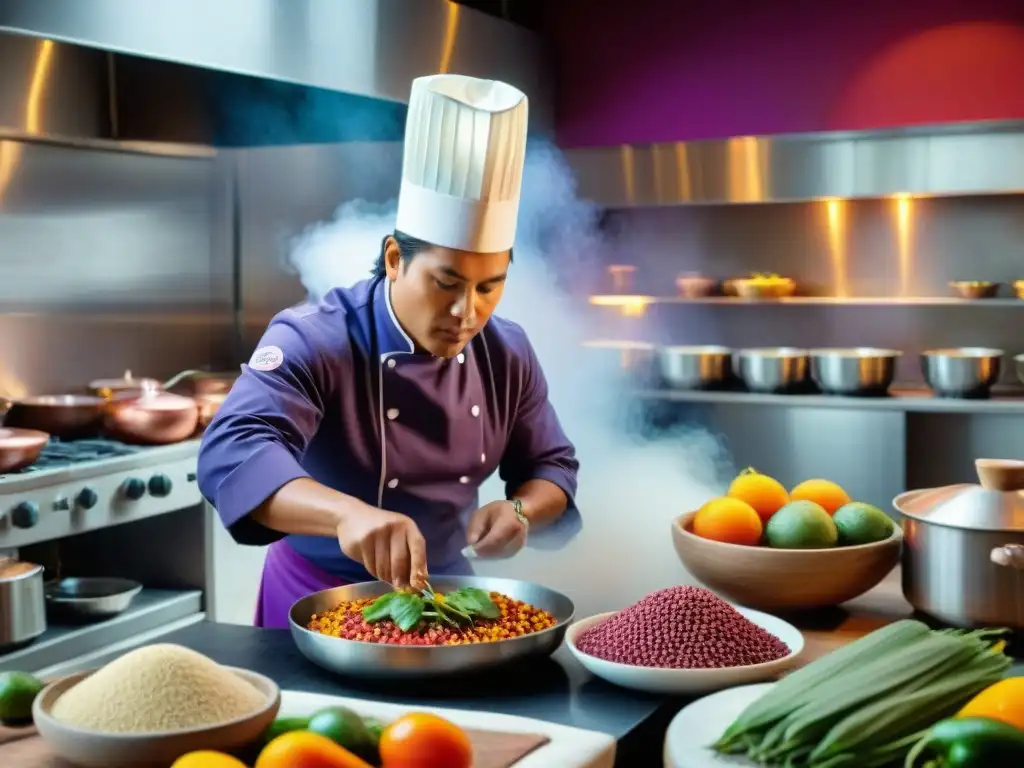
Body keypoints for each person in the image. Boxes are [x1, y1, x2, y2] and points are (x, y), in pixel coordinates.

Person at [197, 74, 581, 629]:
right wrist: (346, 514)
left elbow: (551, 466)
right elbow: (232, 451)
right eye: (446, 283)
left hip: (449, 600)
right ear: (396, 257)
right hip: (317, 600)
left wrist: (519, 510)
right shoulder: (315, 338)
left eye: (488, 286)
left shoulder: (507, 350)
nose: (466, 312)